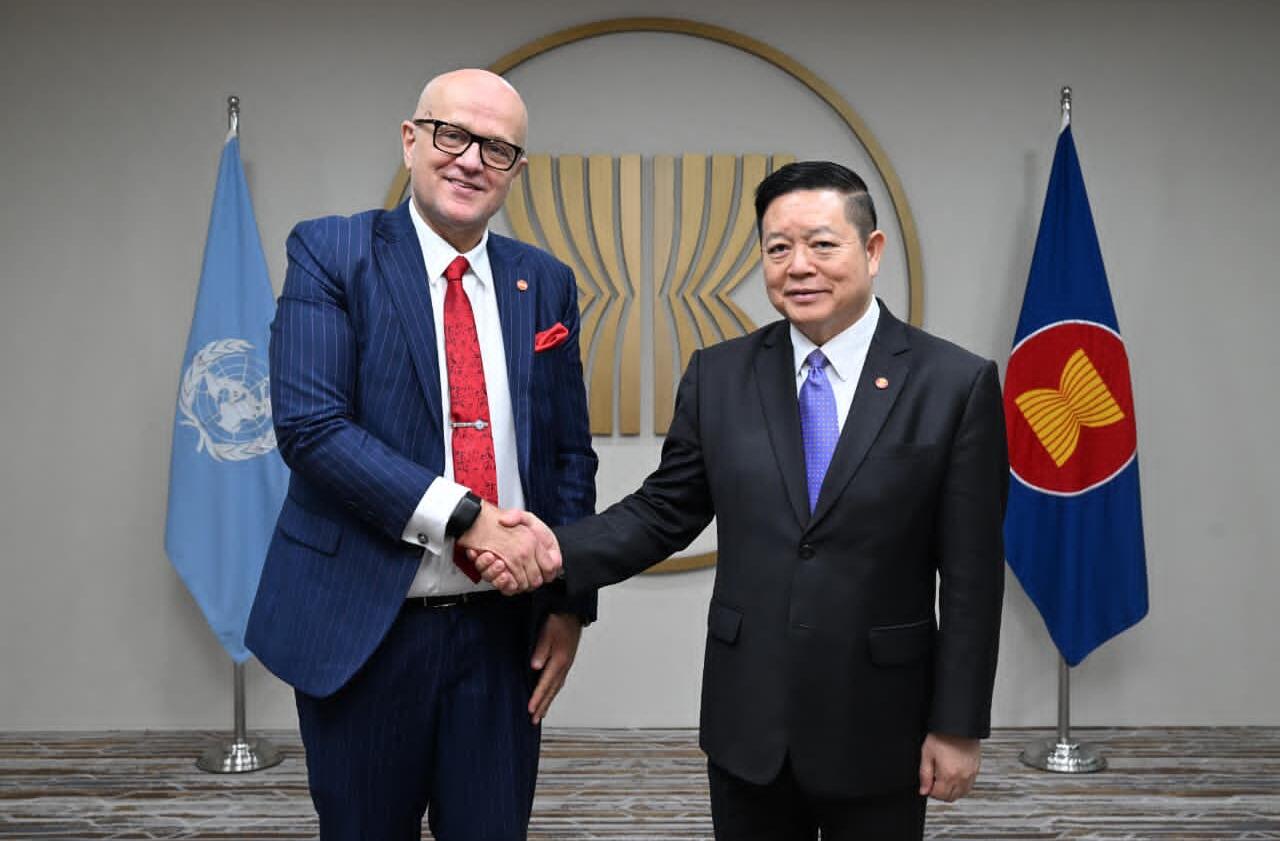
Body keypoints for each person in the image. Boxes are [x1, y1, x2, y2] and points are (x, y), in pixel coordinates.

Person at [479, 161, 1008, 840]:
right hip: (749, 720)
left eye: (822, 243)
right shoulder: (720, 374)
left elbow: (971, 576)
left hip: (882, 719)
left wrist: (958, 724)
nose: (798, 265)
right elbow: (662, 510)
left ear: (872, 252)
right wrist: (553, 550)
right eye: (777, 247)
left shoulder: (954, 384)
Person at [245, 68, 597, 841]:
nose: (471, 159)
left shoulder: (546, 282)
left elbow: (571, 453)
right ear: (411, 141)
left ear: (516, 170)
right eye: (452, 135)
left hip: (502, 640)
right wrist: (465, 517)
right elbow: (311, 427)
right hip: (364, 630)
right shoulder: (332, 251)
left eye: (497, 148)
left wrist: (570, 601)